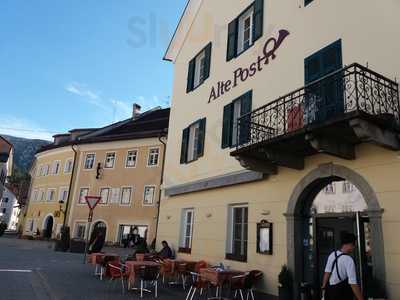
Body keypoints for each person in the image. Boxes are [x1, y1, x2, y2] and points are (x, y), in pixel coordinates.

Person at [322, 232, 364, 300]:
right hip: (341, 293)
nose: (354, 247)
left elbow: (327, 273)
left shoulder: (332, 254)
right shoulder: (349, 260)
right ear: (349, 244)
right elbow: (353, 284)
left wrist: (323, 288)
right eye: (353, 245)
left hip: (330, 292)